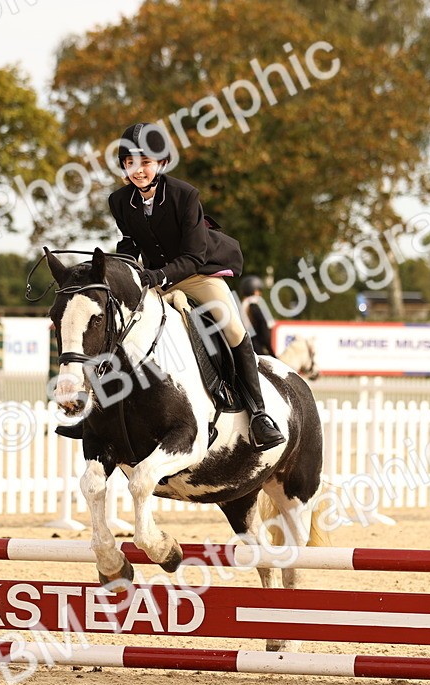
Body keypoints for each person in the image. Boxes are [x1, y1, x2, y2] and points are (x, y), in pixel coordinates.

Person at [56, 122, 285, 450]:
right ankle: (98, 417)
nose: (138, 170)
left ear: (161, 164)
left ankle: (258, 413)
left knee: (232, 328)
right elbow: (130, 243)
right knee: (119, 329)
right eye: (130, 162)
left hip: (199, 272)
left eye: (146, 162)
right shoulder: (120, 201)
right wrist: (125, 273)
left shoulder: (184, 195)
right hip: (155, 275)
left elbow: (194, 255)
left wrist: (157, 277)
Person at [238, 276, 275, 357]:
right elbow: (264, 332)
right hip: (257, 350)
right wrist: (272, 353)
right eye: (259, 291)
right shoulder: (255, 306)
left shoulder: (240, 305)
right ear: (255, 291)